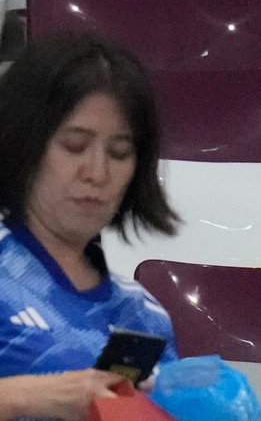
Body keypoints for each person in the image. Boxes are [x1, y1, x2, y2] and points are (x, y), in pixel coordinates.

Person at [0, 35, 180, 421]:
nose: (97, 173)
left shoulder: (145, 318)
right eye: (74, 145)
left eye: (119, 153)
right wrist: (24, 396)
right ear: (22, 144)